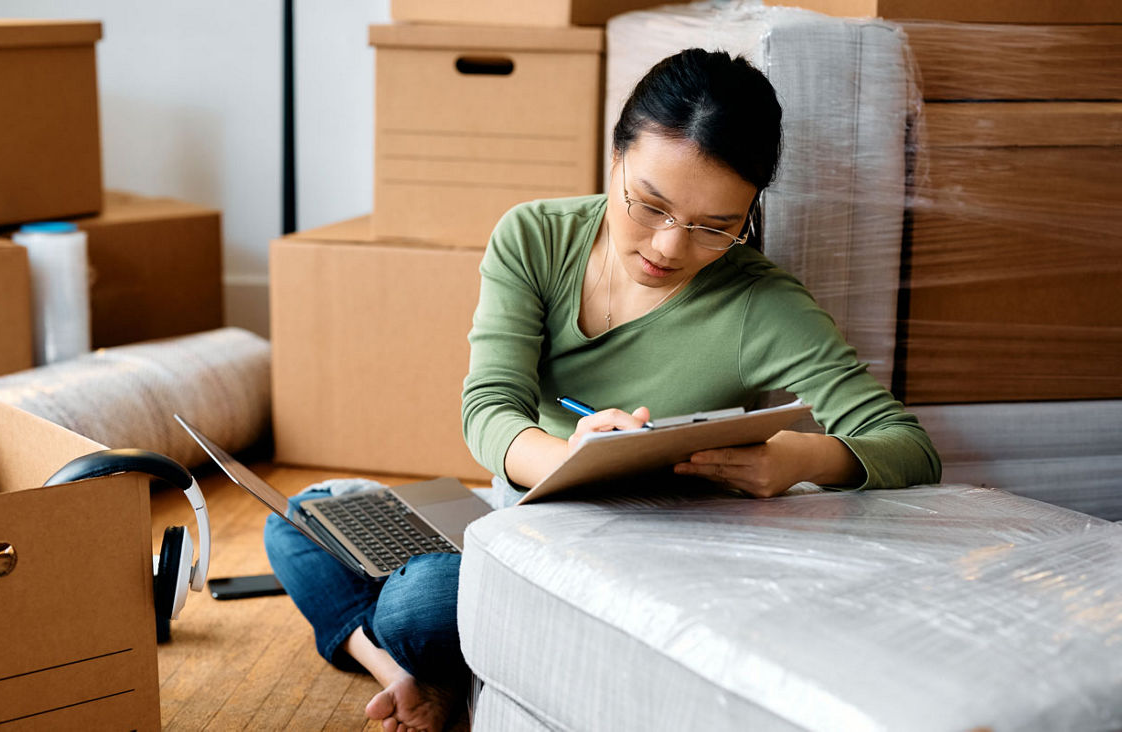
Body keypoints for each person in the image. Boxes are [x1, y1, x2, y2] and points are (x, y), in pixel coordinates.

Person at [265, 48, 942, 732]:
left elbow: (907, 446)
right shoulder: (534, 238)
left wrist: (798, 459)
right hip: (516, 514)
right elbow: (488, 409)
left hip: (627, 557)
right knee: (296, 517)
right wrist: (568, 458)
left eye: (716, 227)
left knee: (423, 606)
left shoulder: (761, 304)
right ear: (613, 157)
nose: (670, 248)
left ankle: (411, 651)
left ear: (750, 213)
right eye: (649, 205)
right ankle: (400, 671)